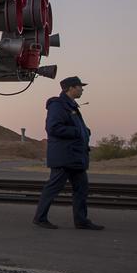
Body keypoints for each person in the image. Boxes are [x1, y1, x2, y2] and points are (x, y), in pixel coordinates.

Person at [33, 76, 104, 230]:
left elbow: (73, 127)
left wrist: (85, 131)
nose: (82, 89)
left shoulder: (71, 106)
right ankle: (40, 218)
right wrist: (79, 131)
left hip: (75, 156)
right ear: (70, 88)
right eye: (80, 86)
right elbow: (53, 128)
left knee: (82, 188)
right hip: (64, 156)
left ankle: (81, 221)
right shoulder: (58, 105)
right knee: (53, 188)